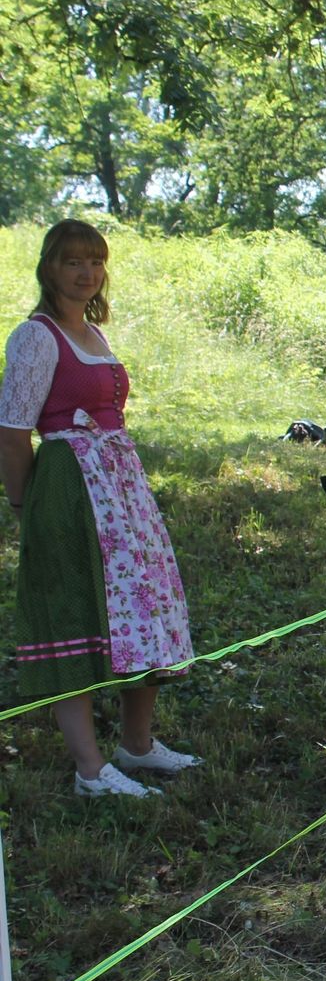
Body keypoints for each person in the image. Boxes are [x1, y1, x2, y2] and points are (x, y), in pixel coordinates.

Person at [0, 220, 200, 798]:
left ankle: (135, 747)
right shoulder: (38, 337)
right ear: (49, 269)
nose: (87, 273)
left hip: (120, 488)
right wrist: (25, 506)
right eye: (73, 262)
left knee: (143, 604)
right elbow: (12, 434)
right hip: (70, 486)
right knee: (77, 611)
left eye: (95, 262)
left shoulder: (91, 333)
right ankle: (91, 770)